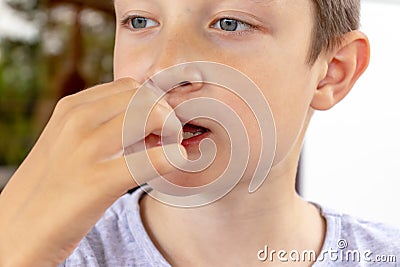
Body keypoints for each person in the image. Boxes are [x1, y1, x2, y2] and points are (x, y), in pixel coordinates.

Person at [0, 0, 399, 266]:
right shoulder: (51, 252)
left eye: (230, 23)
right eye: (140, 21)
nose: (164, 68)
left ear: (332, 71)